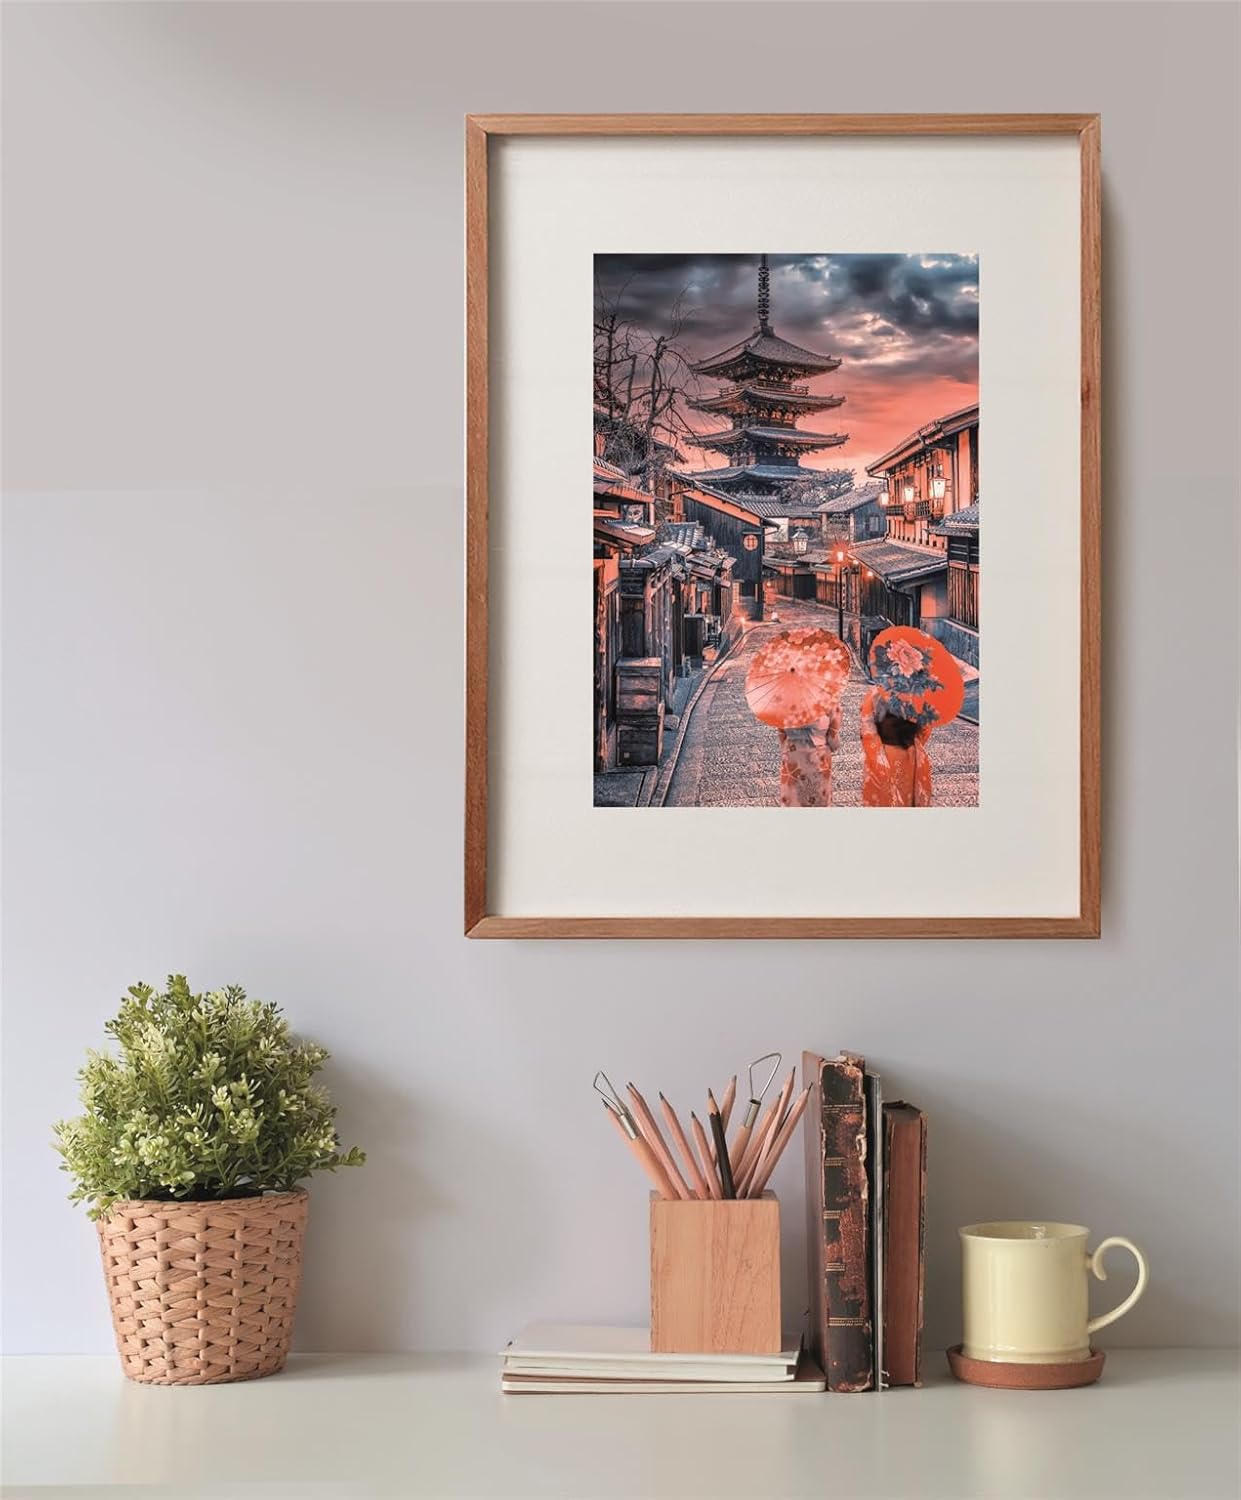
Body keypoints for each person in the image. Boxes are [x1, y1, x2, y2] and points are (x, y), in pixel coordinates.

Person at [860, 627, 964, 807]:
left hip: (884, 753)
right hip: (911, 756)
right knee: (909, 800)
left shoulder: (875, 694)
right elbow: (924, 730)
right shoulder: (919, 697)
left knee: (885, 802)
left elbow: (867, 731)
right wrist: (912, 742)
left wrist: (877, 755)